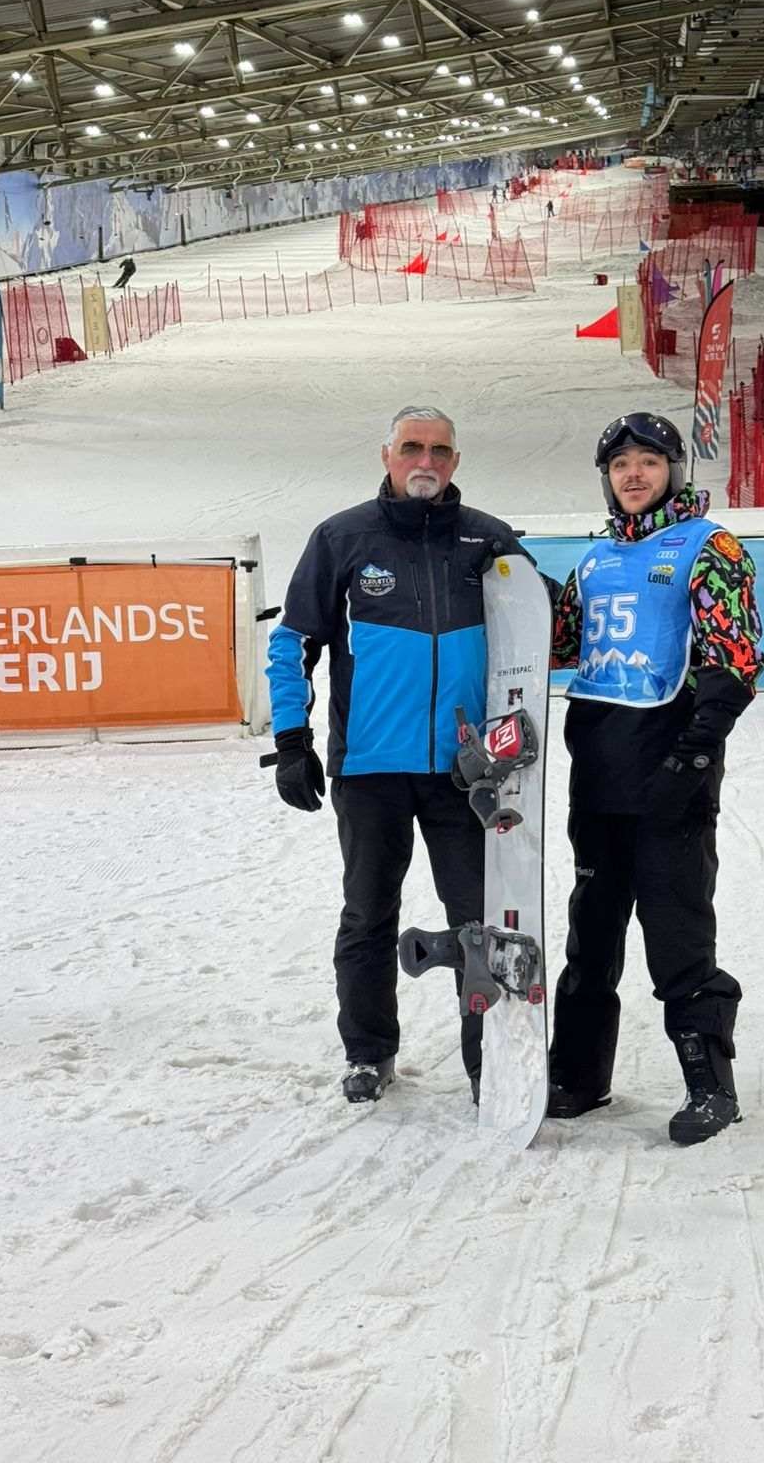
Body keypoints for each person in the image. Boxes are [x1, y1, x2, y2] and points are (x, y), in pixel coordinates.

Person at [266, 407, 524, 1105]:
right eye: (412, 447)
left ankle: (488, 1063)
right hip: (371, 768)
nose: (426, 460)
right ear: (386, 454)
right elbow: (292, 643)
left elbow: (534, 630)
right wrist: (293, 742)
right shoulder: (344, 538)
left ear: (456, 462)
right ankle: (369, 1052)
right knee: (368, 913)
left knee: (481, 923)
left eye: (440, 450)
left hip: (463, 773)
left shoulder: (488, 542)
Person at [548, 412, 764, 1144]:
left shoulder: (709, 546)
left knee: (676, 933)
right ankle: (578, 1077)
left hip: (672, 772)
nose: (633, 475)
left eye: (648, 460)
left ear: (674, 468)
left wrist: (696, 752)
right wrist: (510, 583)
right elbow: (560, 644)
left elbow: (734, 658)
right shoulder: (595, 561)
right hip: (599, 773)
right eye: (620, 465)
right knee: (592, 933)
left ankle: (711, 1087)